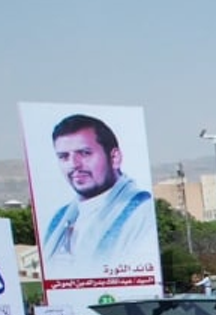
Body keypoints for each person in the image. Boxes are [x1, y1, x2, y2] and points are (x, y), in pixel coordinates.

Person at [40, 113, 154, 272]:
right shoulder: (59, 219)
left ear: (114, 157)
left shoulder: (141, 211)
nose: (74, 165)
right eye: (64, 157)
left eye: (85, 153)